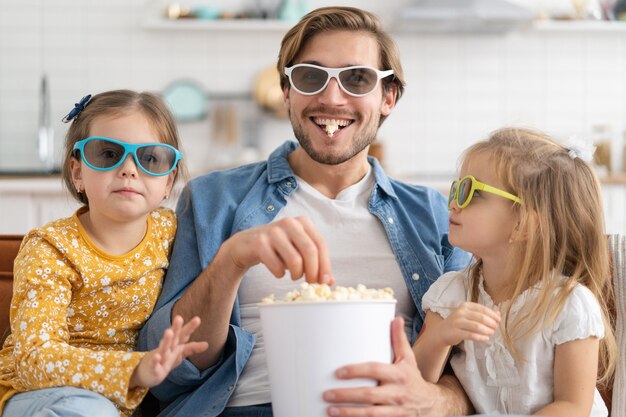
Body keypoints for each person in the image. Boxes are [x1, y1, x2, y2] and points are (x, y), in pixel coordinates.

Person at [138, 6, 473, 417]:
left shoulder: (438, 216)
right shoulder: (212, 199)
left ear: (388, 97)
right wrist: (232, 260)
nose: (332, 98)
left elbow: (479, 373)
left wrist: (432, 401)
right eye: (311, 77)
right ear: (287, 93)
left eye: (357, 78)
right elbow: (168, 373)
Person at [0, 90, 208, 417]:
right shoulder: (50, 247)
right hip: (37, 393)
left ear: (169, 181)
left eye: (150, 158)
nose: (128, 169)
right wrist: (136, 369)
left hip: (121, 398)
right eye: (108, 154)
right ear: (77, 172)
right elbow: (34, 361)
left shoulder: (172, 232)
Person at [412, 127, 617, 416]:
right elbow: (415, 384)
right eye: (457, 188)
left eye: (471, 192)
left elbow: (572, 407)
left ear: (525, 223)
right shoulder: (452, 293)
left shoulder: (570, 305)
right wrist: (439, 337)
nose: (454, 202)